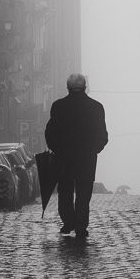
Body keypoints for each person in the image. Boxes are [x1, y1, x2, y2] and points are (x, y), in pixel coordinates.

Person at [43, 73, 109, 240]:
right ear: (85, 87)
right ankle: (80, 226)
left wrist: (57, 149)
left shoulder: (58, 106)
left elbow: (50, 132)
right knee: (83, 192)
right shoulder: (96, 107)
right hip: (87, 158)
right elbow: (102, 135)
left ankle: (68, 222)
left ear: (68, 88)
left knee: (65, 190)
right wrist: (94, 149)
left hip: (64, 157)